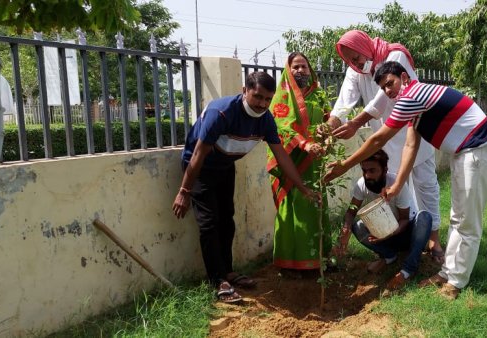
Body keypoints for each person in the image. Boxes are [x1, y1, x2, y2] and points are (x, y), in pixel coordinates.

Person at [324, 61, 487, 300]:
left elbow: (378, 139)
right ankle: (447, 273)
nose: (388, 91)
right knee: (458, 217)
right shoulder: (415, 108)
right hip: (465, 152)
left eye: (390, 83)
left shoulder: (412, 96)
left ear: (404, 78)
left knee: (468, 221)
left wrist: (342, 167)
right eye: (384, 88)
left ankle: (457, 282)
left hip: (479, 150)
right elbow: (410, 145)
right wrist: (397, 185)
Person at [172, 71, 317, 303]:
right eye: (257, 97)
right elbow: (198, 155)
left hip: (225, 166)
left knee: (227, 219)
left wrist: (302, 187)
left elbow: (281, 156)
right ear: (244, 91)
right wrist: (184, 191)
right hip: (200, 170)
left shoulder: (266, 119)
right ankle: (218, 282)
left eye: (268, 99)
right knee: (209, 224)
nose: (262, 104)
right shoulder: (220, 113)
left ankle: (228, 272)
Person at [325, 30, 444, 262]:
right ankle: (398, 241)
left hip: (414, 131)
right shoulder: (355, 71)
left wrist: (357, 122)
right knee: (395, 192)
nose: (355, 62)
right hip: (388, 140)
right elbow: (343, 101)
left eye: (356, 56)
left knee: (426, 185)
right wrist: (330, 126)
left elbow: (383, 98)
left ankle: (434, 239)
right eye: (349, 59)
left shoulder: (395, 55)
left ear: (364, 45)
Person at [267, 52, 332, 273]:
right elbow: (279, 126)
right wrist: (304, 144)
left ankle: (320, 259)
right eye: (295, 67)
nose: (300, 71)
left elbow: (328, 119)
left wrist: (328, 134)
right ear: (288, 69)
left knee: (316, 205)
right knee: (293, 209)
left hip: (315, 164)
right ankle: (290, 264)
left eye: (304, 66)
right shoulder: (281, 97)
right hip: (292, 162)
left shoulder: (319, 95)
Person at [333, 149, 433, 291]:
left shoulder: (396, 185)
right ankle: (388, 256)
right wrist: (345, 229)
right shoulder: (362, 184)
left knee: (424, 217)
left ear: (385, 169)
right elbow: (351, 211)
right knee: (357, 226)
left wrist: (388, 233)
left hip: (406, 233)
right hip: (383, 235)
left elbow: (404, 219)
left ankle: (407, 270)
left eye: (372, 170)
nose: (367, 175)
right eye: (364, 170)